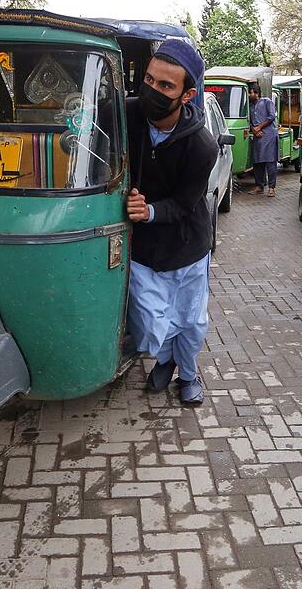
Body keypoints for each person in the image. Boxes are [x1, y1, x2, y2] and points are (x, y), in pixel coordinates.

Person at [125, 39, 218, 405]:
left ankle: (188, 373)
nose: (153, 91)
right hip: (144, 248)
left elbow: (183, 204)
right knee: (150, 319)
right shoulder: (124, 116)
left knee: (191, 320)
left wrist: (148, 211)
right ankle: (164, 359)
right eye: (149, 80)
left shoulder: (202, 147)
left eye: (165, 86)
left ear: (187, 94)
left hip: (187, 245)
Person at [248, 83, 278, 197]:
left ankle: (271, 188)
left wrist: (259, 127)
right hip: (257, 137)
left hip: (269, 136)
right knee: (257, 162)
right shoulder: (250, 106)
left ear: (257, 93)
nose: (250, 94)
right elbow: (249, 121)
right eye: (249, 92)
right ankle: (259, 186)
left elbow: (271, 116)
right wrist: (254, 130)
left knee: (270, 162)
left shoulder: (267, 101)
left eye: (251, 92)